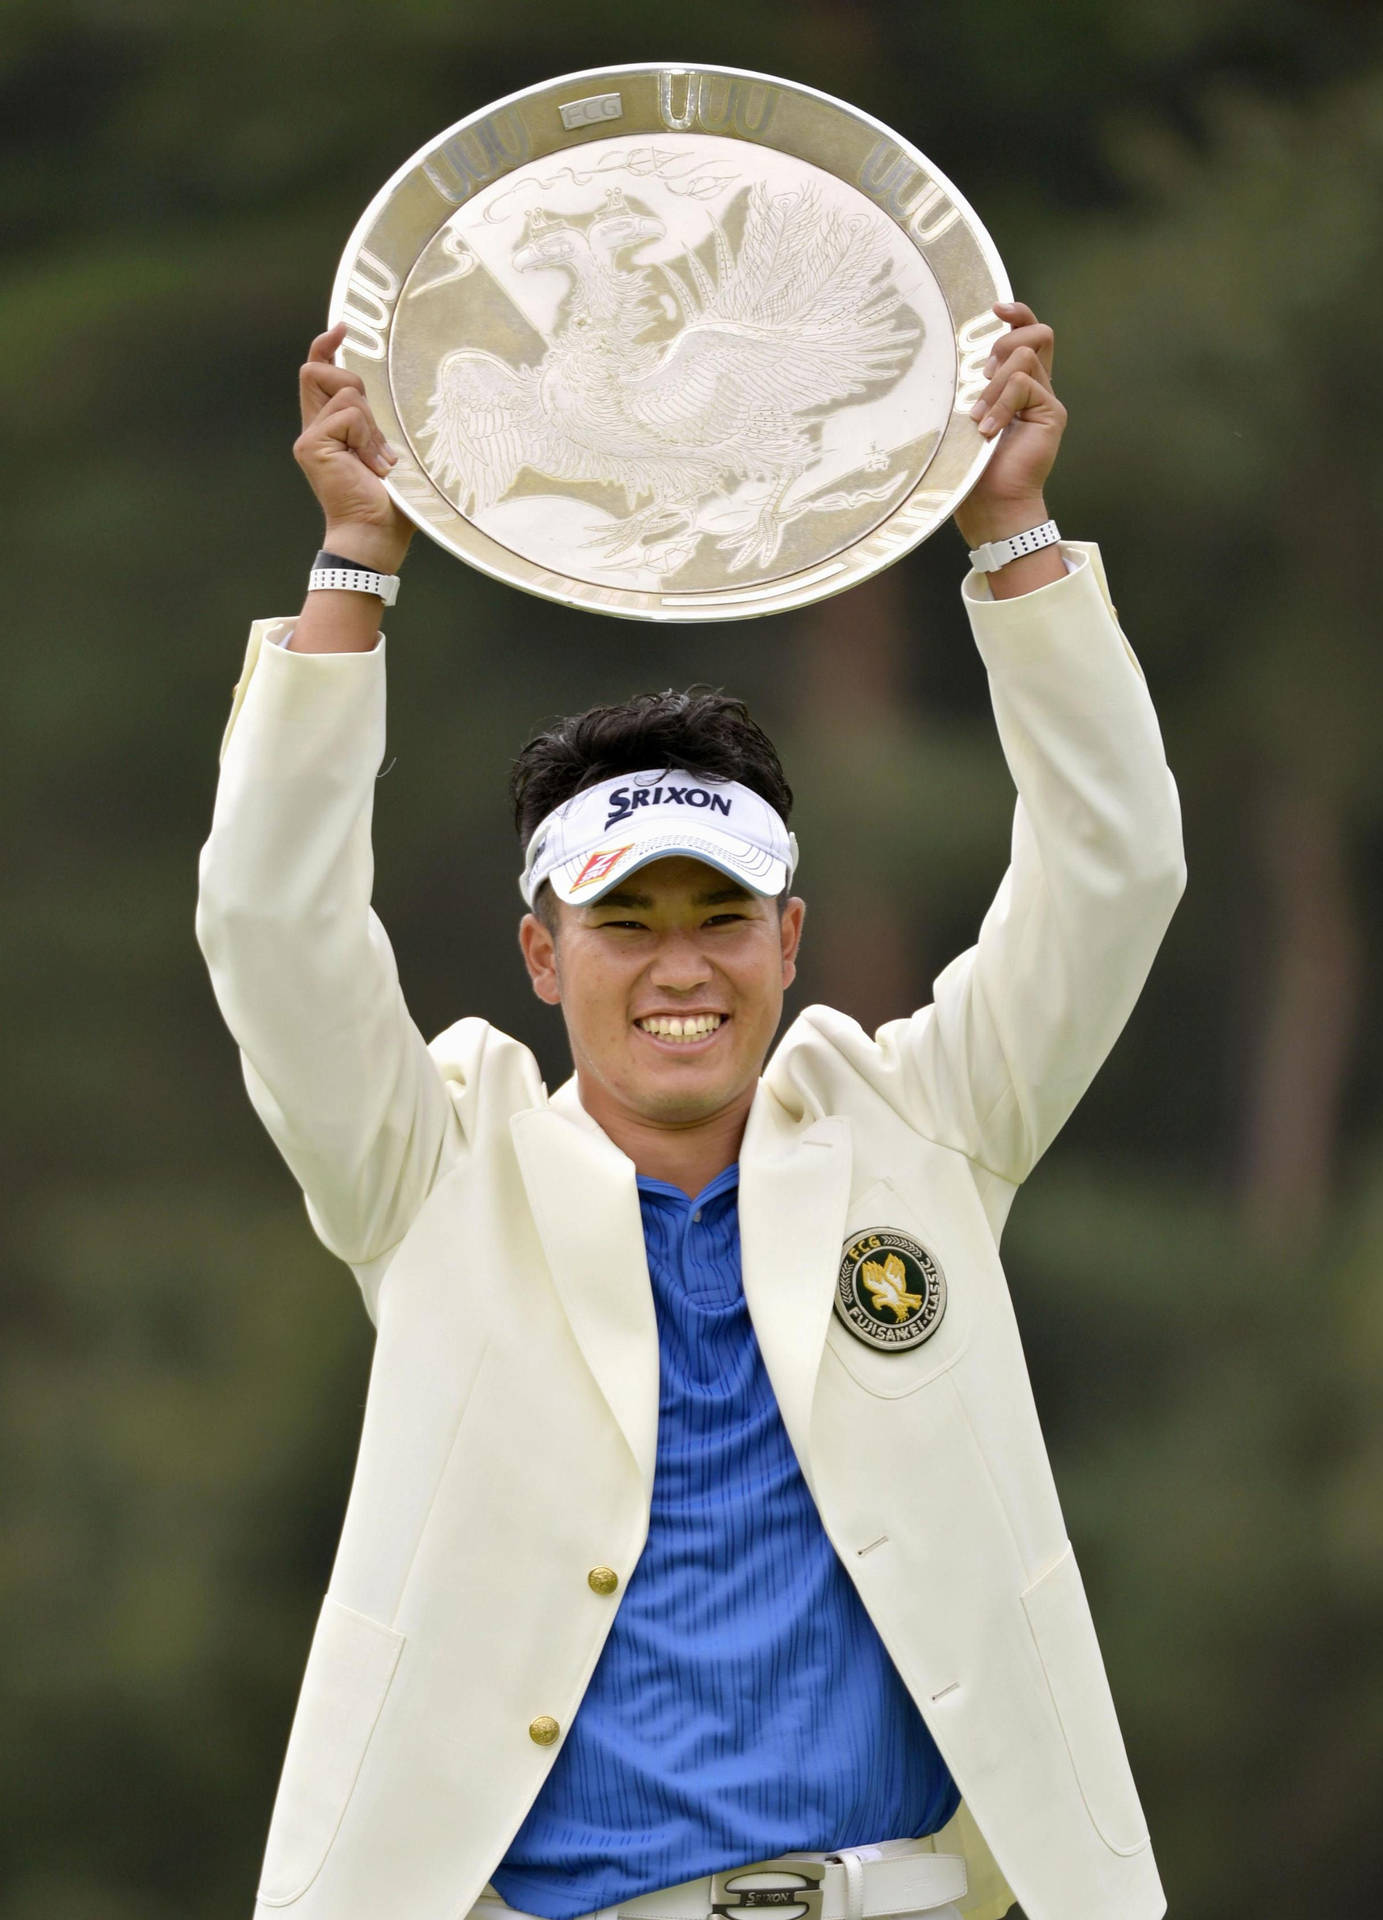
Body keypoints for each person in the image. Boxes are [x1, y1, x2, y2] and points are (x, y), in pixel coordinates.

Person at [196, 302, 1185, 1920]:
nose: (683, 968)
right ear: (540, 952)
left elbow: (1118, 867)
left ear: (790, 941)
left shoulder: (924, 1122)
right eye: (626, 922)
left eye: (722, 917)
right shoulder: (433, 1169)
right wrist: (355, 569)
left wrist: (1013, 533)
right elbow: (269, 926)